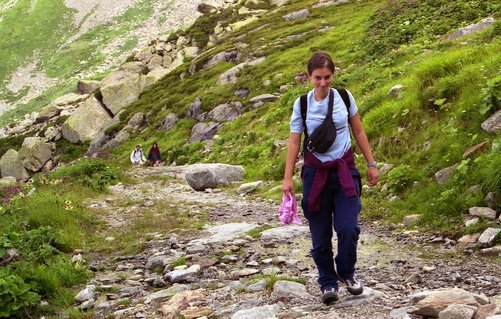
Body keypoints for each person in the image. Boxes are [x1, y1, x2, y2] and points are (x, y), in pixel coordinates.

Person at [282, 52, 379, 304]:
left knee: (349, 228)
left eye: (327, 77)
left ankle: (347, 272)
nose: (323, 83)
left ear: (332, 75)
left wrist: (371, 164)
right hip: (315, 175)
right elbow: (294, 143)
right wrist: (288, 178)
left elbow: (358, 129)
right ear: (309, 77)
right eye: (318, 78)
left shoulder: (344, 98)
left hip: (345, 171)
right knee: (320, 234)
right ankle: (327, 282)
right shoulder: (301, 104)